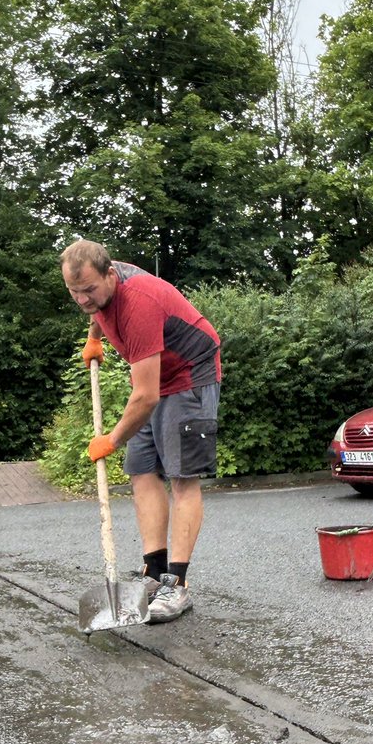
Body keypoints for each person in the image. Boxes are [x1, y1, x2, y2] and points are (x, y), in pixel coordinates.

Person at [60, 239, 221, 624]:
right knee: (141, 469)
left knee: (183, 479)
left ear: (110, 275)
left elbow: (145, 395)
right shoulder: (100, 285)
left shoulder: (140, 305)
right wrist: (94, 337)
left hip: (189, 376)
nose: (82, 299)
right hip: (158, 378)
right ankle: (153, 572)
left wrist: (111, 440)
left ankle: (176, 585)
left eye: (89, 291)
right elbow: (97, 308)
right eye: (73, 292)